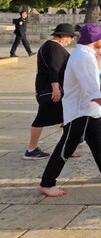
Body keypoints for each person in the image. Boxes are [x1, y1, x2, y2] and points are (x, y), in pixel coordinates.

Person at [38, 23, 101, 197]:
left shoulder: (87, 54)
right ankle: (47, 182)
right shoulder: (82, 57)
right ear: (94, 39)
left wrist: (99, 59)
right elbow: (90, 87)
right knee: (66, 146)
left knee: (98, 141)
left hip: (87, 109)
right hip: (79, 110)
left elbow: (94, 77)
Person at [24, 23, 75, 160]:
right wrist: (56, 88)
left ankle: (66, 148)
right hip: (50, 89)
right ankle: (32, 149)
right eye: (70, 36)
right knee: (44, 118)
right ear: (62, 35)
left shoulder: (47, 46)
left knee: (67, 117)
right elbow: (54, 68)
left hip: (46, 88)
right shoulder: (55, 47)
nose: (71, 40)